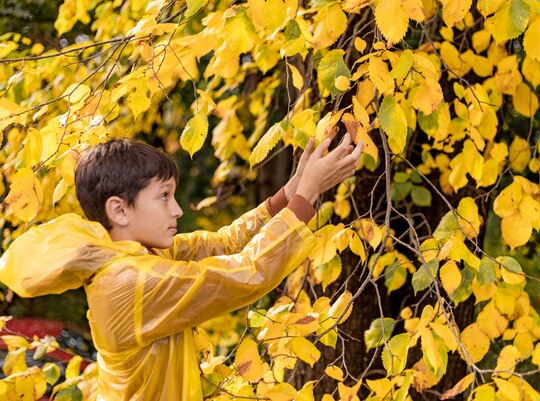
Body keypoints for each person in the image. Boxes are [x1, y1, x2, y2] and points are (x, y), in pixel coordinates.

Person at [0, 133, 363, 401]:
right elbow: (244, 274)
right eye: (163, 197)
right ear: (119, 209)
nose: (177, 210)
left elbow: (223, 244)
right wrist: (307, 196)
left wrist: (288, 194)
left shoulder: (139, 256)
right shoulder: (132, 280)